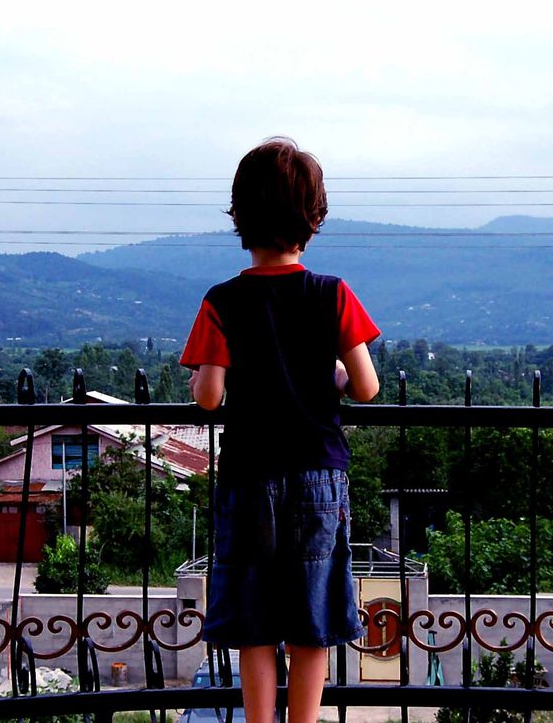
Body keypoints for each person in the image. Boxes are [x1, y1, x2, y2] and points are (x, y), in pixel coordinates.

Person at [180, 137, 380, 723]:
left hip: (249, 476)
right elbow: (366, 386)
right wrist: (335, 375)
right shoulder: (332, 293)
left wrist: (199, 381)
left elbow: (209, 397)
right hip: (318, 473)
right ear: (312, 220)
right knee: (311, 622)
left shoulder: (222, 301)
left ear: (240, 215)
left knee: (255, 621)